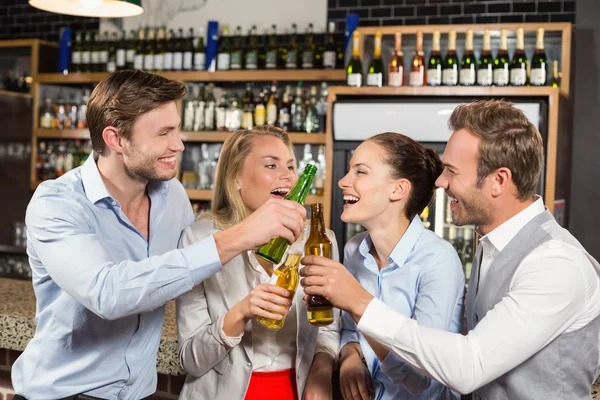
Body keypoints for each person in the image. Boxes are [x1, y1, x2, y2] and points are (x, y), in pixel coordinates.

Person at [12, 71, 306, 400]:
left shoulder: (173, 196)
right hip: (61, 395)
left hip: (138, 394)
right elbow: (109, 294)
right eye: (164, 133)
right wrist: (239, 237)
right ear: (116, 139)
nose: (178, 144)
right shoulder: (58, 202)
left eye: (177, 129)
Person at [301, 100, 600, 399]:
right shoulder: (491, 243)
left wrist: (358, 301)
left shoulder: (555, 263)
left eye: (452, 172)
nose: (440, 182)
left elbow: (469, 366)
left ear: (498, 180)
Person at [176, 126, 339, 400]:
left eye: (290, 166)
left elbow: (328, 326)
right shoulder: (202, 240)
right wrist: (240, 313)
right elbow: (190, 359)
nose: (287, 175)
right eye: (271, 165)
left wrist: (321, 371)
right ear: (236, 177)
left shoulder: (319, 240)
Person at [309, 132, 465, 400]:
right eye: (349, 171)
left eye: (361, 172)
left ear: (398, 189)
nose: (343, 181)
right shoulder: (354, 250)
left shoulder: (438, 260)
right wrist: (350, 357)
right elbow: (349, 330)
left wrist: (358, 303)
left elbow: (420, 381)